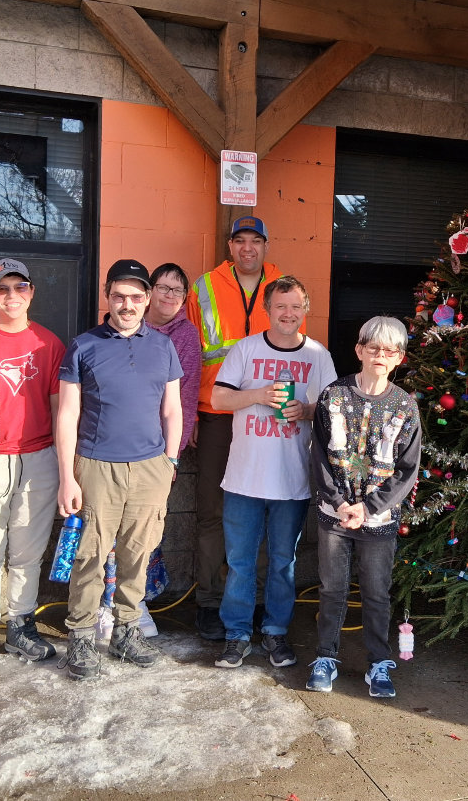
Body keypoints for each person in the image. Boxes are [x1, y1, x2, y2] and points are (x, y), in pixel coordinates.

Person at [56, 259, 183, 680]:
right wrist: (67, 476)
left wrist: (170, 460)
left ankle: (127, 631)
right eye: (119, 296)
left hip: (150, 467)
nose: (127, 305)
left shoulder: (163, 346)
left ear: (147, 299)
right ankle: (81, 635)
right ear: (107, 297)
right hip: (96, 465)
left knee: (138, 552)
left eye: (135, 297)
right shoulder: (83, 346)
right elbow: (67, 413)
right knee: (90, 555)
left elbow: (172, 409)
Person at [209, 276, 337, 669]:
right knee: (240, 562)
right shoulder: (245, 349)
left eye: (295, 306)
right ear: (267, 309)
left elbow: (332, 410)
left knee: (283, 562)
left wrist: (306, 410)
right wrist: (259, 395)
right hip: (244, 479)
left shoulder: (317, 355)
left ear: (305, 309)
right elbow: (218, 397)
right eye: (280, 306)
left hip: (291, 480)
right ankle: (236, 635)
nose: (288, 313)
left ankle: (276, 631)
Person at [0, 258, 65, 671]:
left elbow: (60, 410)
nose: (11, 295)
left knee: (27, 552)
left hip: (39, 457)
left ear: (31, 292)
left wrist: (65, 466)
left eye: (20, 287)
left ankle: (21, 627)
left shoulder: (48, 344)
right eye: (2, 288)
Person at [307, 316, 421, 699]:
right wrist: (340, 502)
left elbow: (406, 470)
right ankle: (325, 656)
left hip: (379, 518)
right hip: (334, 514)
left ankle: (378, 663)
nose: (380, 356)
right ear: (359, 350)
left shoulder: (405, 406)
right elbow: (319, 455)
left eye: (389, 350)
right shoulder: (333, 396)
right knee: (332, 589)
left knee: (376, 592)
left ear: (399, 357)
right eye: (373, 348)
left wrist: (368, 507)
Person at [186, 215, 283, 641]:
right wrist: (190, 414)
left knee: (260, 511)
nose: (247, 248)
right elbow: (190, 355)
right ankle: (209, 602)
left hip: (266, 420)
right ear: (230, 246)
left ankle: (253, 599)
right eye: (240, 240)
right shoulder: (204, 287)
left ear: (265, 246)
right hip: (217, 416)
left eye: (255, 241)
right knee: (212, 511)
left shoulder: (283, 287)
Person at [97, 262, 201, 639]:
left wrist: (172, 456)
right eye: (163, 288)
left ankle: (135, 603)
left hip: (155, 451)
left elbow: (184, 400)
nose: (169, 296)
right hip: (110, 448)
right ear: (149, 292)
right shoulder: (115, 331)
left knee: (144, 531)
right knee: (107, 530)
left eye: (178, 290)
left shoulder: (184, 336)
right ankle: (104, 604)